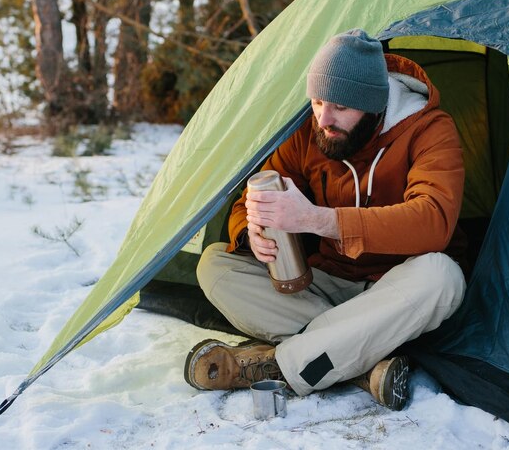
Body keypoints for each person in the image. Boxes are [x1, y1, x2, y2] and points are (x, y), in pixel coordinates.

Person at [184, 29, 467, 411]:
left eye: (341, 108)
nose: (324, 118)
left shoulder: (430, 130)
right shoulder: (310, 130)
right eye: (317, 102)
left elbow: (433, 221)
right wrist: (253, 232)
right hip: (327, 283)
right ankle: (357, 359)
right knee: (215, 264)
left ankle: (280, 364)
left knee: (442, 277)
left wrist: (320, 220)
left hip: (395, 288)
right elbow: (253, 198)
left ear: (374, 104)